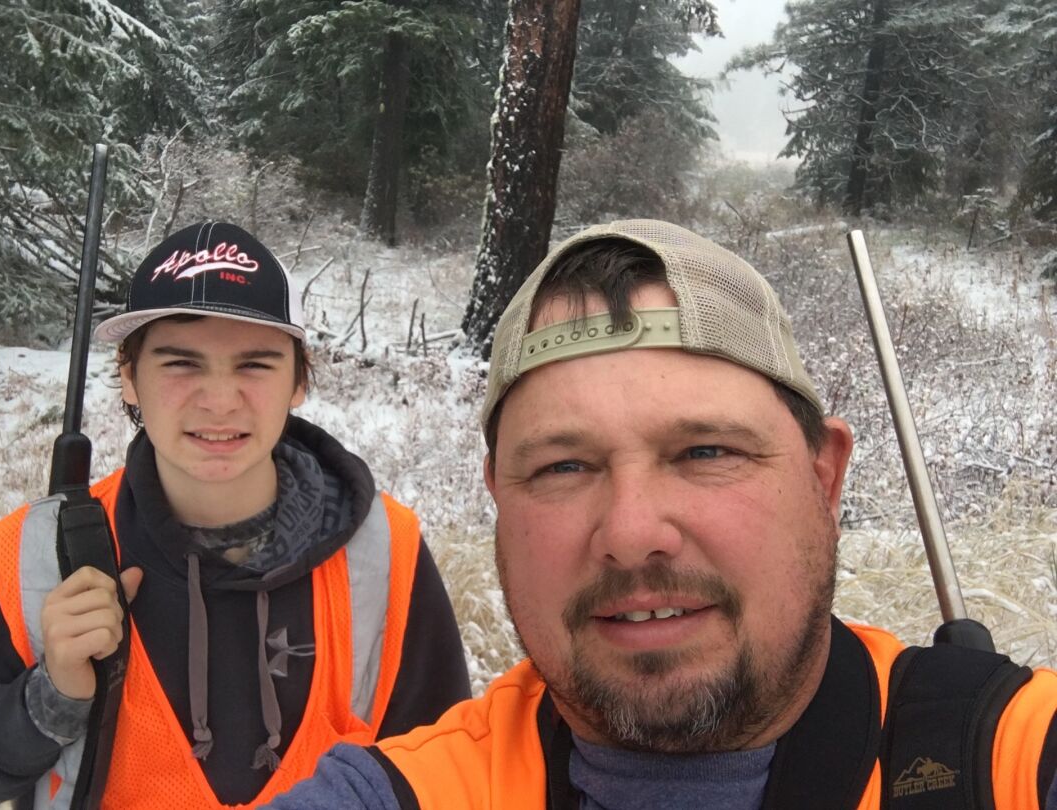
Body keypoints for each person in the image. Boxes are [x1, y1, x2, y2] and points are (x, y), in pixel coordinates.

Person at [265, 219, 1057, 810]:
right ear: (498, 498)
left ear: (825, 477)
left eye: (706, 451)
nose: (633, 532)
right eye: (563, 466)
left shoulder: (1014, 760)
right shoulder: (407, 793)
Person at [0, 221, 470, 809]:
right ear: (129, 377)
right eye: (181, 364)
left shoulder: (386, 554)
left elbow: (447, 775)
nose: (218, 401)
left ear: (299, 380)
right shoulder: (31, 560)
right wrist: (49, 700)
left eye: (254, 365)